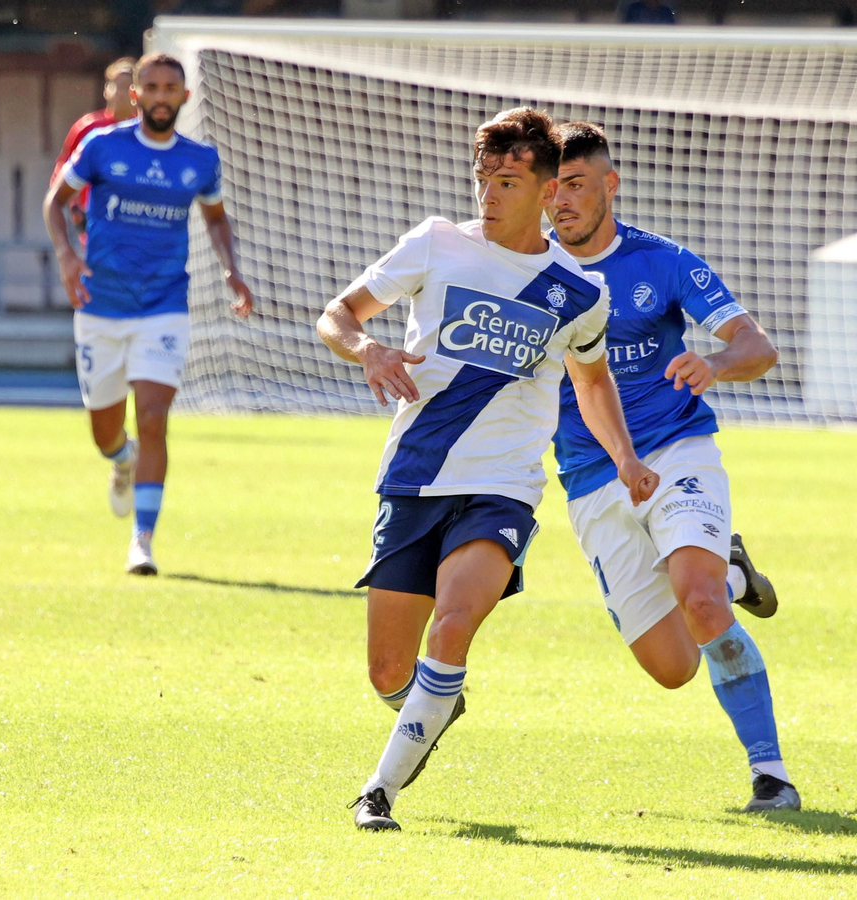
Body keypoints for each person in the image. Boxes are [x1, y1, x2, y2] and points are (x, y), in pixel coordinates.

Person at [317, 108, 659, 832]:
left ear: (544, 189)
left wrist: (625, 457)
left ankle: (377, 793)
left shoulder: (578, 292)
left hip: (502, 486)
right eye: (484, 180)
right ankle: (433, 707)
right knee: (387, 671)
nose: (489, 195)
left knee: (454, 624)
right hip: (413, 476)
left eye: (507, 181)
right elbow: (339, 314)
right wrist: (368, 349)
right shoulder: (436, 243)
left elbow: (592, 382)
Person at [548, 121, 797, 812]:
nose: (560, 200)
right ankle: (733, 568)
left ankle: (770, 773)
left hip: (676, 448)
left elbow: (758, 345)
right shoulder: (533, 271)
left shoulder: (663, 262)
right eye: (551, 188)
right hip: (592, 479)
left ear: (609, 185)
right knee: (672, 668)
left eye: (574, 184)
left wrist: (714, 362)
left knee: (701, 599)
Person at [44, 53, 255, 576]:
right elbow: (55, 202)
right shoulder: (102, 146)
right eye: (152, 87)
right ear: (134, 95)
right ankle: (121, 460)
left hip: (164, 305)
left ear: (185, 97)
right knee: (105, 433)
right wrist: (68, 256)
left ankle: (142, 541)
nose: (162, 96)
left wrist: (231, 269)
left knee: (155, 418)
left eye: (171, 88)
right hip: (100, 305)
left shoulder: (201, 160)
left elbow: (216, 220)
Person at [52, 57, 138, 247]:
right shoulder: (89, 128)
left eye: (128, 87)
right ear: (106, 90)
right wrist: (74, 207)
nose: (122, 93)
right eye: (118, 86)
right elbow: (63, 169)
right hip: (95, 220)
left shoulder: (145, 132)